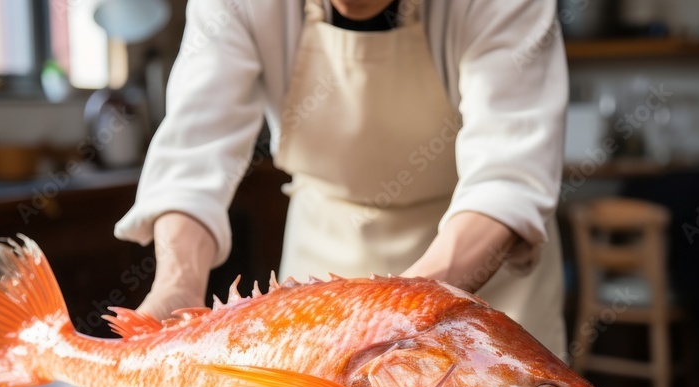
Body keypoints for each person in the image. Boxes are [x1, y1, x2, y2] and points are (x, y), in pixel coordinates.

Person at [114, 0, 569, 357]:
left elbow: (506, 179)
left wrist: (396, 313)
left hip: (480, 273)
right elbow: (194, 155)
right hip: (325, 253)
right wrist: (178, 285)